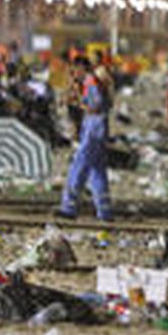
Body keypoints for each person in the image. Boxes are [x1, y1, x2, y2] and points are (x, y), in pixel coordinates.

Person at [57, 56, 112, 222]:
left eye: (75, 69)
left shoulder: (90, 82)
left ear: (82, 68)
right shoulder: (91, 82)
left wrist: (78, 103)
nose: (74, 74)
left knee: (79, 165)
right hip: (97, 126)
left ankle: (69, 206)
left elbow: (95, 105)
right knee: (97, 170)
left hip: (93, 127)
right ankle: (104, 210)